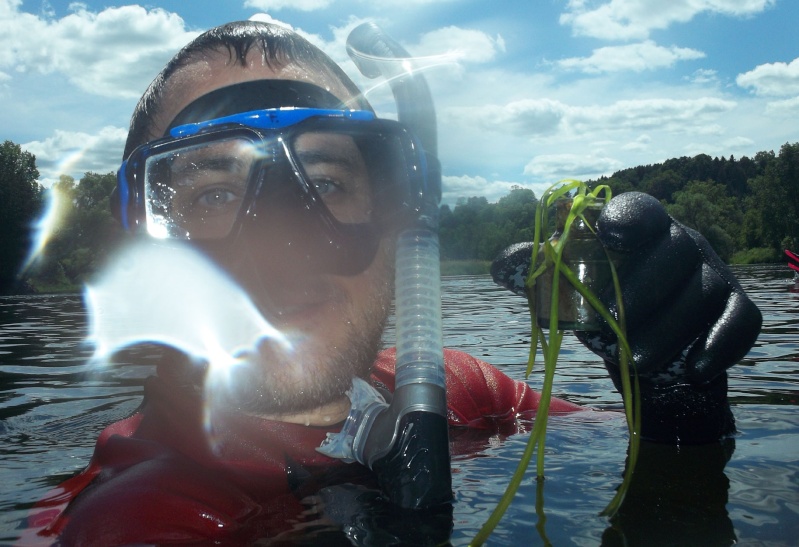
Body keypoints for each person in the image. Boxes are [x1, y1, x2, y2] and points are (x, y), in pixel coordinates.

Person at [23, 20, 761, 546]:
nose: (287, 240)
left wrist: (676, 417)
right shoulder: (134, 514)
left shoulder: (463, 392)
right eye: (214, 195)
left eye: (327, 181)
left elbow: (610, 445)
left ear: (399, 219)